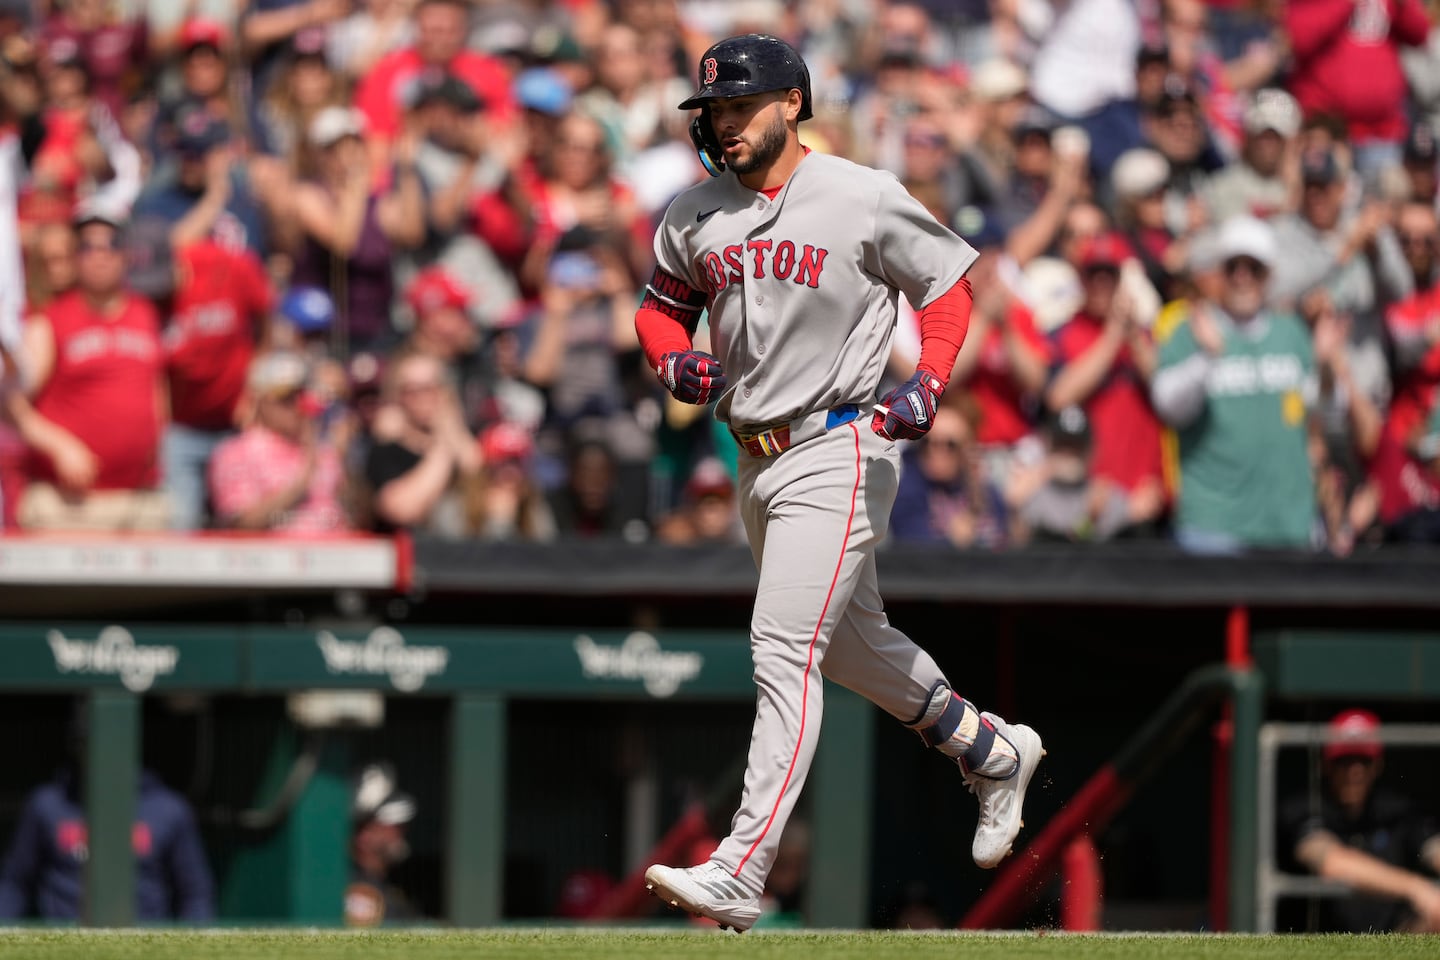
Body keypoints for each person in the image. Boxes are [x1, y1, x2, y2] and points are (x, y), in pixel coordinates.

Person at [635, 34, 1044, 933]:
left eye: (740, 106)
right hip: (754, 457)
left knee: (783, 645)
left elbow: (950, 285)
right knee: (853, 649)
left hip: (839, 442)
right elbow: (660, 310)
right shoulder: (695, 212)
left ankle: (744, 868)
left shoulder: (858, 194)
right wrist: (672, 363)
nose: (723, 124)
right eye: (711, 111)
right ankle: (991, 750)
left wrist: (930, 380)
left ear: (792, 103)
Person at [1151, 215, 1318, 552]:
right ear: (1218, 273)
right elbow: (1168, 407)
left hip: (1288, 522)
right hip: (1215, 525)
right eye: (1233, 267)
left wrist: (1329, 370)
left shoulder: (1292, 332)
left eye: (1253, 268)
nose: (1243, 278)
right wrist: (1206, 359)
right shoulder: (1190, 329)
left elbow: (1317, 412)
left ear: (1268, 275)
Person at [8, 207, 169, 531]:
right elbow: (9, 403)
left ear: (126, 255)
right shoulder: (50, 323)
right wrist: (58, 445)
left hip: (139, 501)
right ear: (75, 258)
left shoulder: (145, 314)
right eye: (86, 247)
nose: (99, 256)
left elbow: (156, 389)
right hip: (67, 506)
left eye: (110, 245)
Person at [0, 705, 214, 921]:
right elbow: (14, 883)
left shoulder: (169, 808)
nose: (100, 752)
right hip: (66, 938)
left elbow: (196, 893)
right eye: (87, 743)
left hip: (143, 940)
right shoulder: (46, 804)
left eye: (112, 744)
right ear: (76, 746)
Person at [1278, 708, 1440, 932]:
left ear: (1377, 765)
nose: (1354, 772)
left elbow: (1433, 847)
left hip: (1395, 937)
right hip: (1318, 939)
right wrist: (1415, 887)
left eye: (1362, 761)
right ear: (1325, 765)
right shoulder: (1305, 807)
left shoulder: (1396, 811)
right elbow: (1332, 863)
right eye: (1344, 761)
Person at [208, 349, 350, 534]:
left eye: (301, 397)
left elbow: (354, 514)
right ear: (260, 402)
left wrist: (343, 454)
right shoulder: (235, 453)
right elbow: (242, 523)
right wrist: (301, 482)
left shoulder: (326, 451)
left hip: (337, 556)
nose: (296, 406)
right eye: (285, 399)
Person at [344, 762, 421, 927]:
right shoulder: (360, 893)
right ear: (364, 835)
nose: (400, 833)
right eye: (393, 825)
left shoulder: (389, 886)